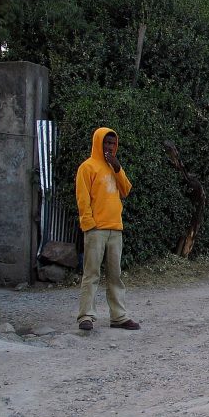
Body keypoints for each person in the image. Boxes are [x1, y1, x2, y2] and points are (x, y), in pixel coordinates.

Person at [75, 127, 140, 331]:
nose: (110, 147)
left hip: (115, 228)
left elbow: (126, 190)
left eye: (113, 143)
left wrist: (118, 167)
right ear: (98, 143)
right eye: (106, 143)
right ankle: (86, 316)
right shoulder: (87, 167)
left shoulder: (114, 167)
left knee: (115, 275)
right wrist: (89, 224)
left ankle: (119, 317)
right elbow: (82, 199)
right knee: (91, 274)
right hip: (96, 229)